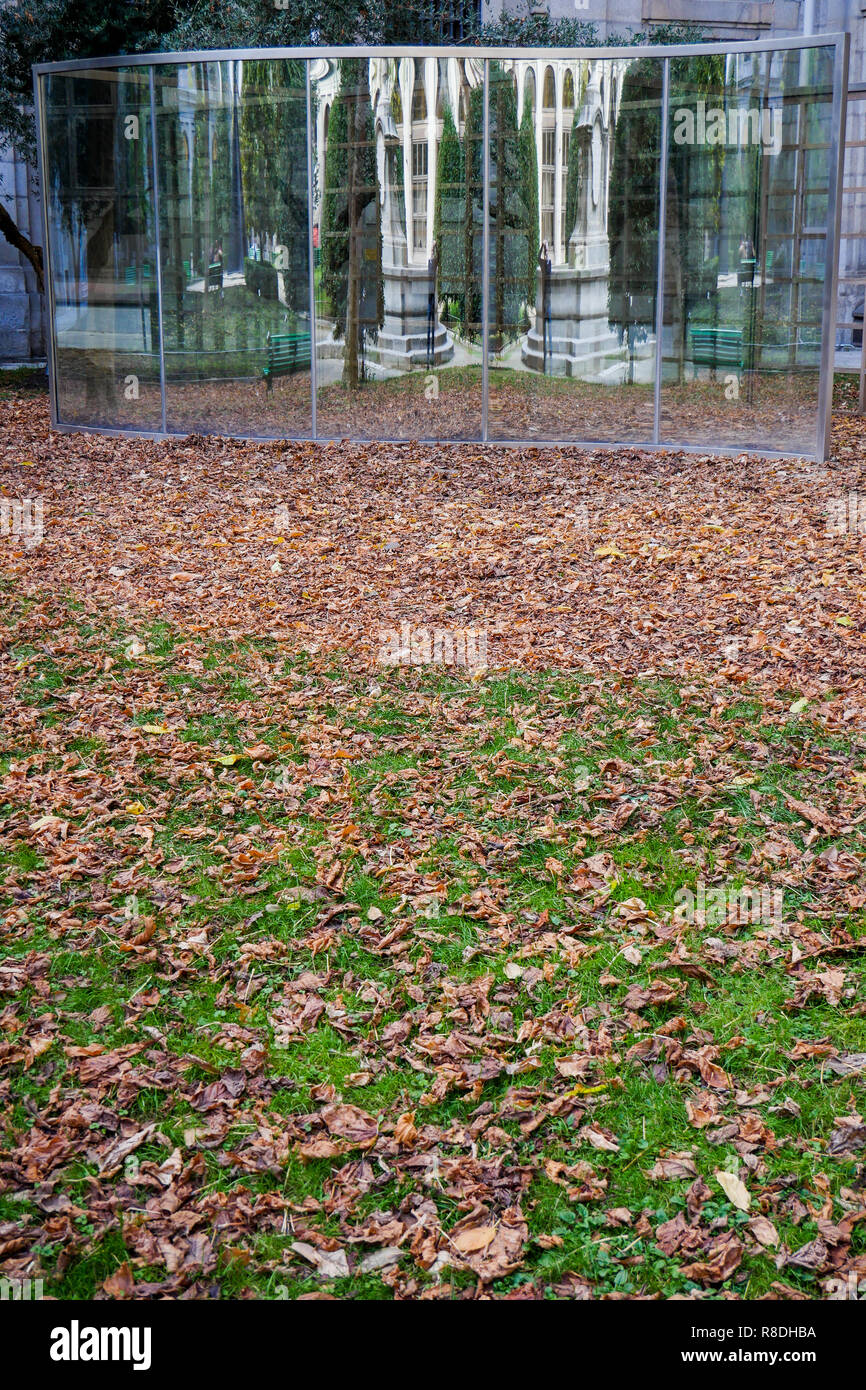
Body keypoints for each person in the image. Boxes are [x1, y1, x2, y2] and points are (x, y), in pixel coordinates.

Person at [538, 241, 552, 372]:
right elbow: (539, 257)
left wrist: (544, 248)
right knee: (547, 322)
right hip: (546, 297)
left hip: (547, 298)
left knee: (547, 321)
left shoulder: (547, 265)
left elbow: (540, 257)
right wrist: (544, 247)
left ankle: (548, 350)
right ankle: (547, 351)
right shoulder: (546, 265)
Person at [426, 240, 439, 370]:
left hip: (430, 301)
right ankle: (429, 357)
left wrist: (432, 248)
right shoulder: (433, 269)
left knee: (430, 331)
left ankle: (429, 357)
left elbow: (432, 259)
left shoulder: (432, 269)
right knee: (430, 331)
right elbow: (433, 259)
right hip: (430, 300)